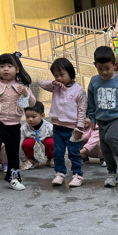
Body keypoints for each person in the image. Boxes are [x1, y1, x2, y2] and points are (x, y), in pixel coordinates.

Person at [0, 52, 35, 196]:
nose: (6, 69)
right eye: (2, 66)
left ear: (17, 69)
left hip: (14, 125)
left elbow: (32, 103)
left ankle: (14, 178)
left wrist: (26, 93)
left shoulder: (22, 87)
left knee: (13, 153)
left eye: (10, 66)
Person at [87, 46, 118, 188]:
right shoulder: (94, 81)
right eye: (100, 69)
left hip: (117, 118)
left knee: (111, 138)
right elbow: (91, 101)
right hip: (101, 120)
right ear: (95, 65)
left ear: (114, 65)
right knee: (105, 149)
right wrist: (92, 118)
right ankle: (112, 174)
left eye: (107, 68)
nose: (104, 72)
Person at [37, 57, 87, 188]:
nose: (59, 78)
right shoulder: (56, 87)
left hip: (73, 129)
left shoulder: (79, 91)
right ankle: (60, 173)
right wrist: (53, 82)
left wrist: (79, 127)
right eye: (56, 75)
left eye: (62, 75)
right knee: (58, 152)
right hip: (57, 127)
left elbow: (82, 111)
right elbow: (41, 83)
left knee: (74, 153)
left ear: (70, 72)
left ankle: (77, 174)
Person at [19, 101, 54, 171]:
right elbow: (19, 144)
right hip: (32, 150)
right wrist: (24, 159)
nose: (30, 119)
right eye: (27, 117)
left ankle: (51, 158)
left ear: (42, 116)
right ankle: (31, 160)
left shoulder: (49, 127)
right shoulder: (24, 128)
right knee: (27, 142)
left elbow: (58, 143)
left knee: (51, 142)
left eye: (34, 116)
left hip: (45, 148)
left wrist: (58, 156)